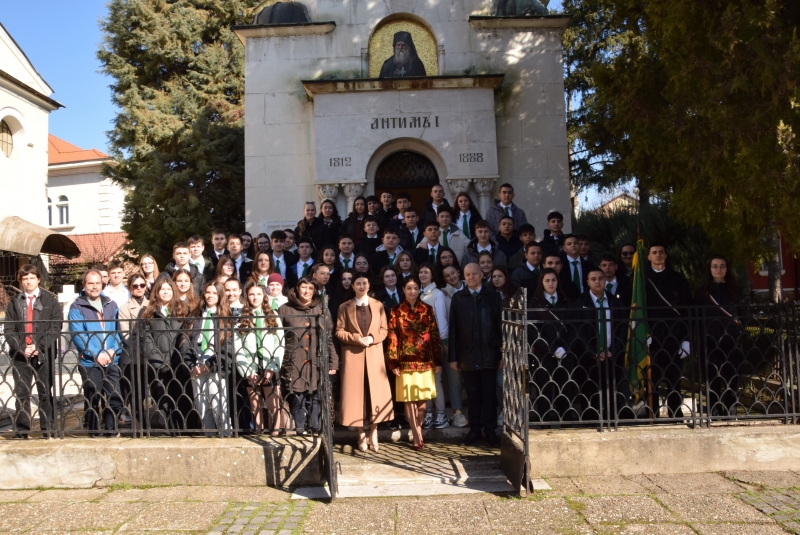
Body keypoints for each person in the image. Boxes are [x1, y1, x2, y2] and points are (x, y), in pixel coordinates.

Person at [336, 273, 393, 451]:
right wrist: (355, 338)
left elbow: (385, 329)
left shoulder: (378, 306)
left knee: (374, 394)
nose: (361, 286)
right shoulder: (344, 307)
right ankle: (361, 434)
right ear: (352, 286)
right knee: (357, 397)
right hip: (354, 357)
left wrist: (372, 338)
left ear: (369, 286)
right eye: (358, 283)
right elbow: (339, 331)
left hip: (374, 356)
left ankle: (373, 432)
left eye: (364, 283)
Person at [449, 263, 503, 446]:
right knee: (472, 395)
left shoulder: (493, 297)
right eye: (468, 275)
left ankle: (490, 430)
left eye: (474, 274)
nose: (471, 277)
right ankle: (474, 430)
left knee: (489, 395)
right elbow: (453, 329)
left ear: (481, 275)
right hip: (467, 355)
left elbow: (500, 326)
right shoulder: (458, 298)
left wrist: (502, 354)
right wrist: (453, 357)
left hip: (489, 354)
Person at [387, 275, 443, 450]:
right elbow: (393, 337)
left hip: (425, 360)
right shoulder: (396, 311)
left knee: (422, 399)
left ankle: (417, 428)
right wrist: (393, 362)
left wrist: (437, 359)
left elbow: (434, 335)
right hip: (404, 360)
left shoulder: (427, 309)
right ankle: (417, 434)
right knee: (409, 399)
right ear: (403, 290)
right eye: (408, 288)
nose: (412, 291)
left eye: (415, 288)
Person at [6, 265, 62, 437]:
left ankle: (48, 429)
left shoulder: (50, 301)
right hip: (20, 355)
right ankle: (22, 430)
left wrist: (39, 346)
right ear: (21, 281)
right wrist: (22, 348)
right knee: (22, 393)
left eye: (31, 277)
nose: (28, 281)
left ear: (38, 279)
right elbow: (9, 329)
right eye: (25, 278)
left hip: (43, 354)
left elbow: (55, 325)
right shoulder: (15, 302)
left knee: (45, 391)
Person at [278, 277, 339, 434]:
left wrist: (333, 361)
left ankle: (315, 429)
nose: (306, 291)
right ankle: (299, 429)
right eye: (304, 287)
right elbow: (279, 337)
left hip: (315, 359)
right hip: (294, 359)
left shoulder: (321, 309)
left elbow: (328, 337)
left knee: (316, 396)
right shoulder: (285, 309)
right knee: (297, 397)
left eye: (310, 288)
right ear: (297, 289)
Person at [69, 269, 124, 435]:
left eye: (97, 283)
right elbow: (79, 336)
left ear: (102, 284)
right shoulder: (77, 307)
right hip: (90, 362)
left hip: (111, 359)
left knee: (115, 398)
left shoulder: (111, 305)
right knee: (94, 398)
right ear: (84, 285)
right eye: (90, 283)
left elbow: (118, 331)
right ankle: (94, 433)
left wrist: (113, 350)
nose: (94, 287)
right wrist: (96, 354)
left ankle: (111, 431)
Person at [137, 276, 192, 432]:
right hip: (159, 366)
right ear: (157, 292)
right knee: (163, 400)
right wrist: (159, 361)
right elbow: (145, 339)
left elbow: (186, 336)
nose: (166, 292)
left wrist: (181, 359)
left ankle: (182, 431)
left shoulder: (184, 310)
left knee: (181, 401)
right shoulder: (148, 313)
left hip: (179, 365)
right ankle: (167, 431)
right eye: (162, 289)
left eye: (169, 289)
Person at [645, 243, 693, 417]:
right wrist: (642, 333)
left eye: (661, 252)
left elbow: (687, 309)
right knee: (652, 379)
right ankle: (653, 413)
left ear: (666, 256)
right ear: (648, 257)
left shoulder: (678, 279)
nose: (658, 255)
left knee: (674, 379)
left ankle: (675, 412)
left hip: (675, 336)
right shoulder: (642, 279)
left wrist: (687, 339)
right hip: (652, 338)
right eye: (654, 253)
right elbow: (636, 309)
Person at [695, 254, 746, 417]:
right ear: (709, 269)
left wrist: (738, 331)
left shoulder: (735, 290)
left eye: (722, 266)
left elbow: (744, 314)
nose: (718, 269)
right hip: (709, 340)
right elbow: (695, 316)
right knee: (712, 379)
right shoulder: (702, 292)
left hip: (732, 341)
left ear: (727, 269)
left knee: (732, 378)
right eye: (715, 266)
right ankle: (714, 411)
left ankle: (731, 412)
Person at [574, 268, 628, 419]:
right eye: (593, 279)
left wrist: (613, 350)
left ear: (605, 280)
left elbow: (622, 328)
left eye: (600, 278)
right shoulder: (580, 302)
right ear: (588, 282)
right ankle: (590, 420)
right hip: (589, 355)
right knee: (590, 389)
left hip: (612, 354)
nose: (597, 282)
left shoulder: (614, 301)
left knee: (611, 388)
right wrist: (592, 351)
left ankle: (611, 419)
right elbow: (579, 330)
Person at [235, 281, 286, 433]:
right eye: (251, 294)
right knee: (255, 405)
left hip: (269, 364)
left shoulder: (272, 315)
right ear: (247, 296)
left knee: (273, 405)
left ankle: (275, 433)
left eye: (258, 294)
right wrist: (248, 370)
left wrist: (272, 367)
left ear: (263, 295)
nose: (255, 297)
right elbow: (238, 346)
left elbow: (280, 342)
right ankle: (259, 433)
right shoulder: (241, 317)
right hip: (251, 365)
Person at [527, 268, 575, 422]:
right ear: (541, 282)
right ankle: (545, 422)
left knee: (565, 388)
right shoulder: (534, 303)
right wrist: (552, 348)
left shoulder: (566, 301)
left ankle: (565, 420)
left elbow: (573, 328)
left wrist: (565, 348)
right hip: (545, 354)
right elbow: (534, 331)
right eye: (547, 280)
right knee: (545, 390)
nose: (551, 283)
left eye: (553, 280)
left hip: (565, 353)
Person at [189, 281, 232, 433]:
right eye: (208, 292)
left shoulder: (226, 316)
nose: (210, 296)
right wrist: (192, 363)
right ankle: (209, 433)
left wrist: (209, 364)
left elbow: (228, 346)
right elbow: (186, 341)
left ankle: (225, 434)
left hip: (215, 362)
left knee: (217, 401)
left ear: (220, 295)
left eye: (214, 293)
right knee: (201, 402)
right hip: (197, 360)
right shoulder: (196, 315)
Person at [417, 264, 450, 430]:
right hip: (420, 345)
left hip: (434, 343)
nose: (423, 275)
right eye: (421, 272)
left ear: (432, 275)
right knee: (424, 380)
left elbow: (442, 321)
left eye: (426, 272)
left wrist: (443, 342)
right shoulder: (417, 293)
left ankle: (441, 413)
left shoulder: (437, 294)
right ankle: (428, 411)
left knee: (436, 380)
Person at [118, 273, 149, 426]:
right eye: (135, 286)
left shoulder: (152, 305)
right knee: (136, 392)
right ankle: (138, 423)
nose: (139, 288)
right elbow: (126, 334)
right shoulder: (124, 308)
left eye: (142, 285)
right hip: (134, 356)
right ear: (130, 288)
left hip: (150, 356)